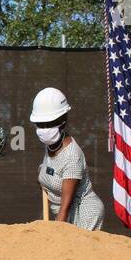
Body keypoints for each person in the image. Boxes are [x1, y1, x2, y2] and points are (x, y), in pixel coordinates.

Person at [30, 87, 104, 231]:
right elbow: (51, 171)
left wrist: (56, 234)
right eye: (40, 124)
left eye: (49, 123)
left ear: (63, 121)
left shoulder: (71, 156)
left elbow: (65, 206)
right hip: (62, 214)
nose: (44, 129)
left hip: (83, 214)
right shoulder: (52, 145)